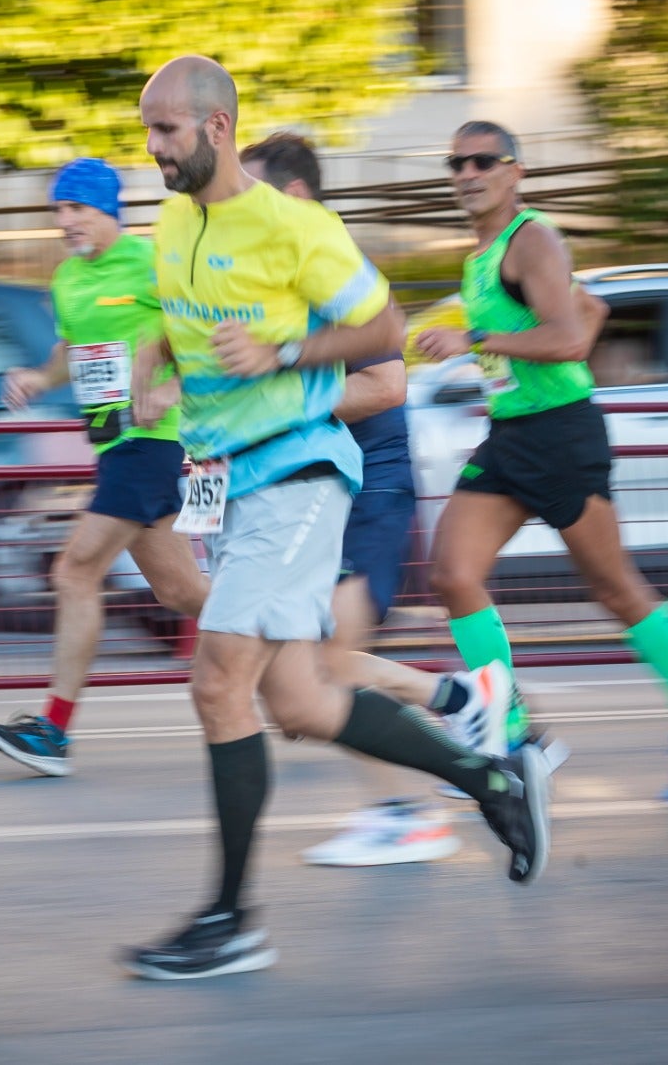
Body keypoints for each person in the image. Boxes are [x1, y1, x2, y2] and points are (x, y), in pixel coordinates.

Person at [121, 56, 552, 981]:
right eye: (147, 130)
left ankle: (233, 919)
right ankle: (489, 778)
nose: (152, 148)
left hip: (301, 476)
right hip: (231, 484)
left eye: (166, 131)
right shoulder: (171, 220)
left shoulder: (293, 227)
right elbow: (167, 310)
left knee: (216, 684)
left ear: (218, 127)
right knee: (302, 701)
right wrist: (156, 371)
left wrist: (279, 349)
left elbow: (384, 335)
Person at [413, 119, 668, 807]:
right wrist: (505, 342)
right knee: (453, 574)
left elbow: (570, 338)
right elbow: (589, 308)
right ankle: (514, 737)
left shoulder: (531, 238)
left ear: (515, 172)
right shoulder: (482, 254)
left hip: (562, 437)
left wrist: (475, 336)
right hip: (511, 437)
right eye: (456, 162)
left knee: (614, 588)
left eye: (483, 160)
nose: (467, 172)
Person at [237, 131, 454, 867]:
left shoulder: (337, 267)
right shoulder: (284, 272)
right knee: (308, 669)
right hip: (323, 491)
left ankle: (410, 810)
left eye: (252, 193)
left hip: (371, 490)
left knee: (326, 666)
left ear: (293, 197)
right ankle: (467, 708)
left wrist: (274, 403)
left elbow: (386, 387)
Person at [0, 158, 208, 776]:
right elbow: (71, 349)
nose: (65, 222)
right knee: (181, 592)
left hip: (151, 443)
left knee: (75, 571)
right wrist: (37, 377)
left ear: (109, 211)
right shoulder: (67, 280)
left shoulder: (151, 262)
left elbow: (200, 336)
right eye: (58, 210)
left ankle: (53, 732)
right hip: (111, 449)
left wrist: (170, 388)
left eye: (77, 209)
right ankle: (299, 652)